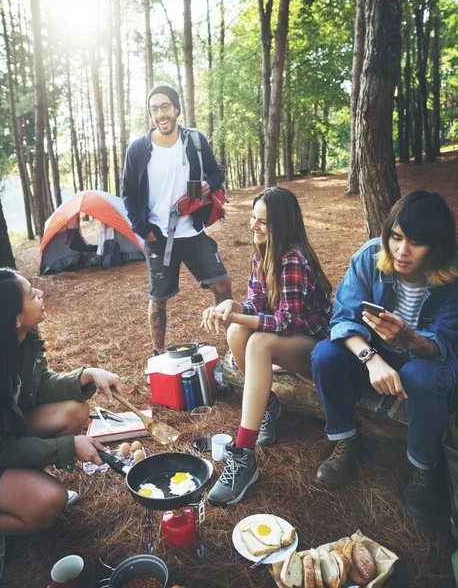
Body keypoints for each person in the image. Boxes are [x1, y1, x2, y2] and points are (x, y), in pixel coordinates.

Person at [311, 190, 458, 523]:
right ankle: (347, 440)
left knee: (421, 375)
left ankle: (423, 468)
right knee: (324, 355)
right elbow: (343, 318)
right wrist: (370, 357)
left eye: (416, 243)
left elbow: (446, 346)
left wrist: (408, 338)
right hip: (375, 355)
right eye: (395, 237)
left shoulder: (452, 278)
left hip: (424, 362)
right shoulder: (369, 258)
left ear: (436, 246)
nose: (402, 251)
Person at [201, 187, 333, 507]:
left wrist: (238, 315)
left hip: (316, 346)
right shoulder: (262, 252)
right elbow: (257, 303)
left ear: (283, 226)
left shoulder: (292, 258)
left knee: (257, 341)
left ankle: (244, 456)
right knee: (235, 331)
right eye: (253, 217)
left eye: (263, 222)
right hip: (289, 337)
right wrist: (231, 306)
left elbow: (286, 322)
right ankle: (269, 406)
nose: (253, 226)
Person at [0, 268, 121, 535]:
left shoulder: (20, 339)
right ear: (14, 318)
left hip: (3, 435)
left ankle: (20, 485)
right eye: (31, 294)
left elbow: (37, 388)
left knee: (74, 411)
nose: (40, 294)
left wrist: (87, 375)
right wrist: (68, 446)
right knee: (48, 502)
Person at [122, 84, 232, 355]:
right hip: (159, 237)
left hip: (192, 231)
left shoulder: (194, 140)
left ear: (176, 109)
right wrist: (144, 231)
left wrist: (207, 184)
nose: (161, 113)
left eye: (165, 106)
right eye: (155, 109)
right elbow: (127, 194)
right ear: (151, 114)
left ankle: (235, 345)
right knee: (158, 299)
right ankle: (158, 354)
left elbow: (216, 174)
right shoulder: (138, 150)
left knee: (223, 284)